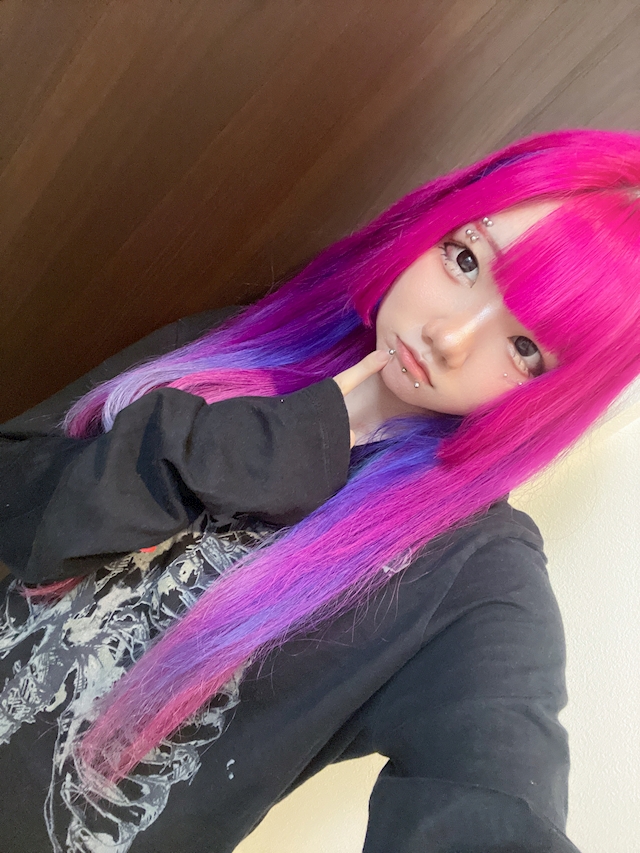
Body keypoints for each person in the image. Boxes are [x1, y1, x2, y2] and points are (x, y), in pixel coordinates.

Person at [1, 128, 639, 853]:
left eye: (525, 348)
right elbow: (14, 493)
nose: (450, 336)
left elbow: (494, 795)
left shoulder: (475, 577)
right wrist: (223, 454)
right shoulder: (251, 346)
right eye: (464, 258)